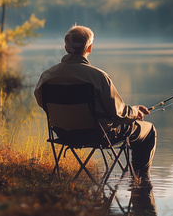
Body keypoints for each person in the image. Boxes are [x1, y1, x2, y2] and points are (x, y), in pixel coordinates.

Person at [34, 25, 156, 179]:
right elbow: (118, 113)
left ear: (66, 48)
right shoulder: (98, 77)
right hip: (98, 135)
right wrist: (135, 111)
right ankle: (141, 184)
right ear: (89, 48)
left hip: (63, 134)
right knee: (149, 130)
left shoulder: (47, 76)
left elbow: (42, 104)